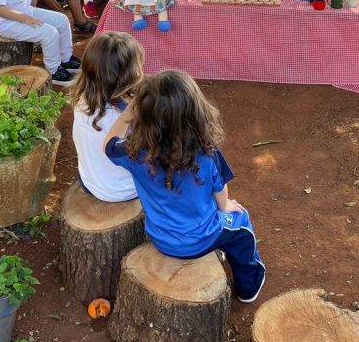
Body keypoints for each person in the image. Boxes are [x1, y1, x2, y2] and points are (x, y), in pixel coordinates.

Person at [104, 70, 265, 303]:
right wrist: (225, 207)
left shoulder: (135, 155)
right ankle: (248, 288)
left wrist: (128, 113)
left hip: (160, 239)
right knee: (242, 225)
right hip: (202, 239)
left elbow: (108, 145)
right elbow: (220, 190)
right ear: (196, 113)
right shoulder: (207, 154)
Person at [68, 32, 142, 202]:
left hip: (90, 182)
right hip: (125, 190)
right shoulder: (124, 116)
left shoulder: (84, 100)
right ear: (128, 74)